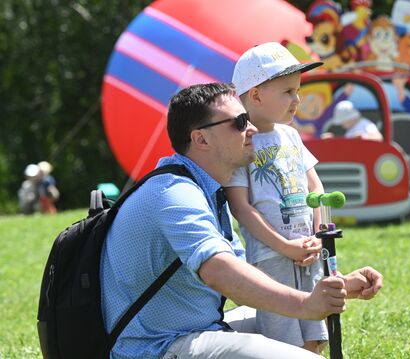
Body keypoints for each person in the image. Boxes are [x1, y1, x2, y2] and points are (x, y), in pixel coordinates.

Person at [100, 82, 383, 359]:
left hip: (196, 329)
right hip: (158, 347)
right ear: (201, 139)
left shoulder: (206, 191)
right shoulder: (174, 193)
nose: (253, 129)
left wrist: (338, 287)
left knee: (293, 328)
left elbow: (245, 282)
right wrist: (306, 304)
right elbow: (220, 272)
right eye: (239, 122)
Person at [225, 42, 327, 354]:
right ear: (255, 95)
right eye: (287, 92)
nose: (297, 99)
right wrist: (284, 246)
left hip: (309, 252)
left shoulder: (292, 136)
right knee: (282, 342)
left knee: (316, 333)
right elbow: (240, 207)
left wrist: (319, 234)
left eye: (297, 90)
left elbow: (316, 188)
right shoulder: (241, 142)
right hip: (271, 259)